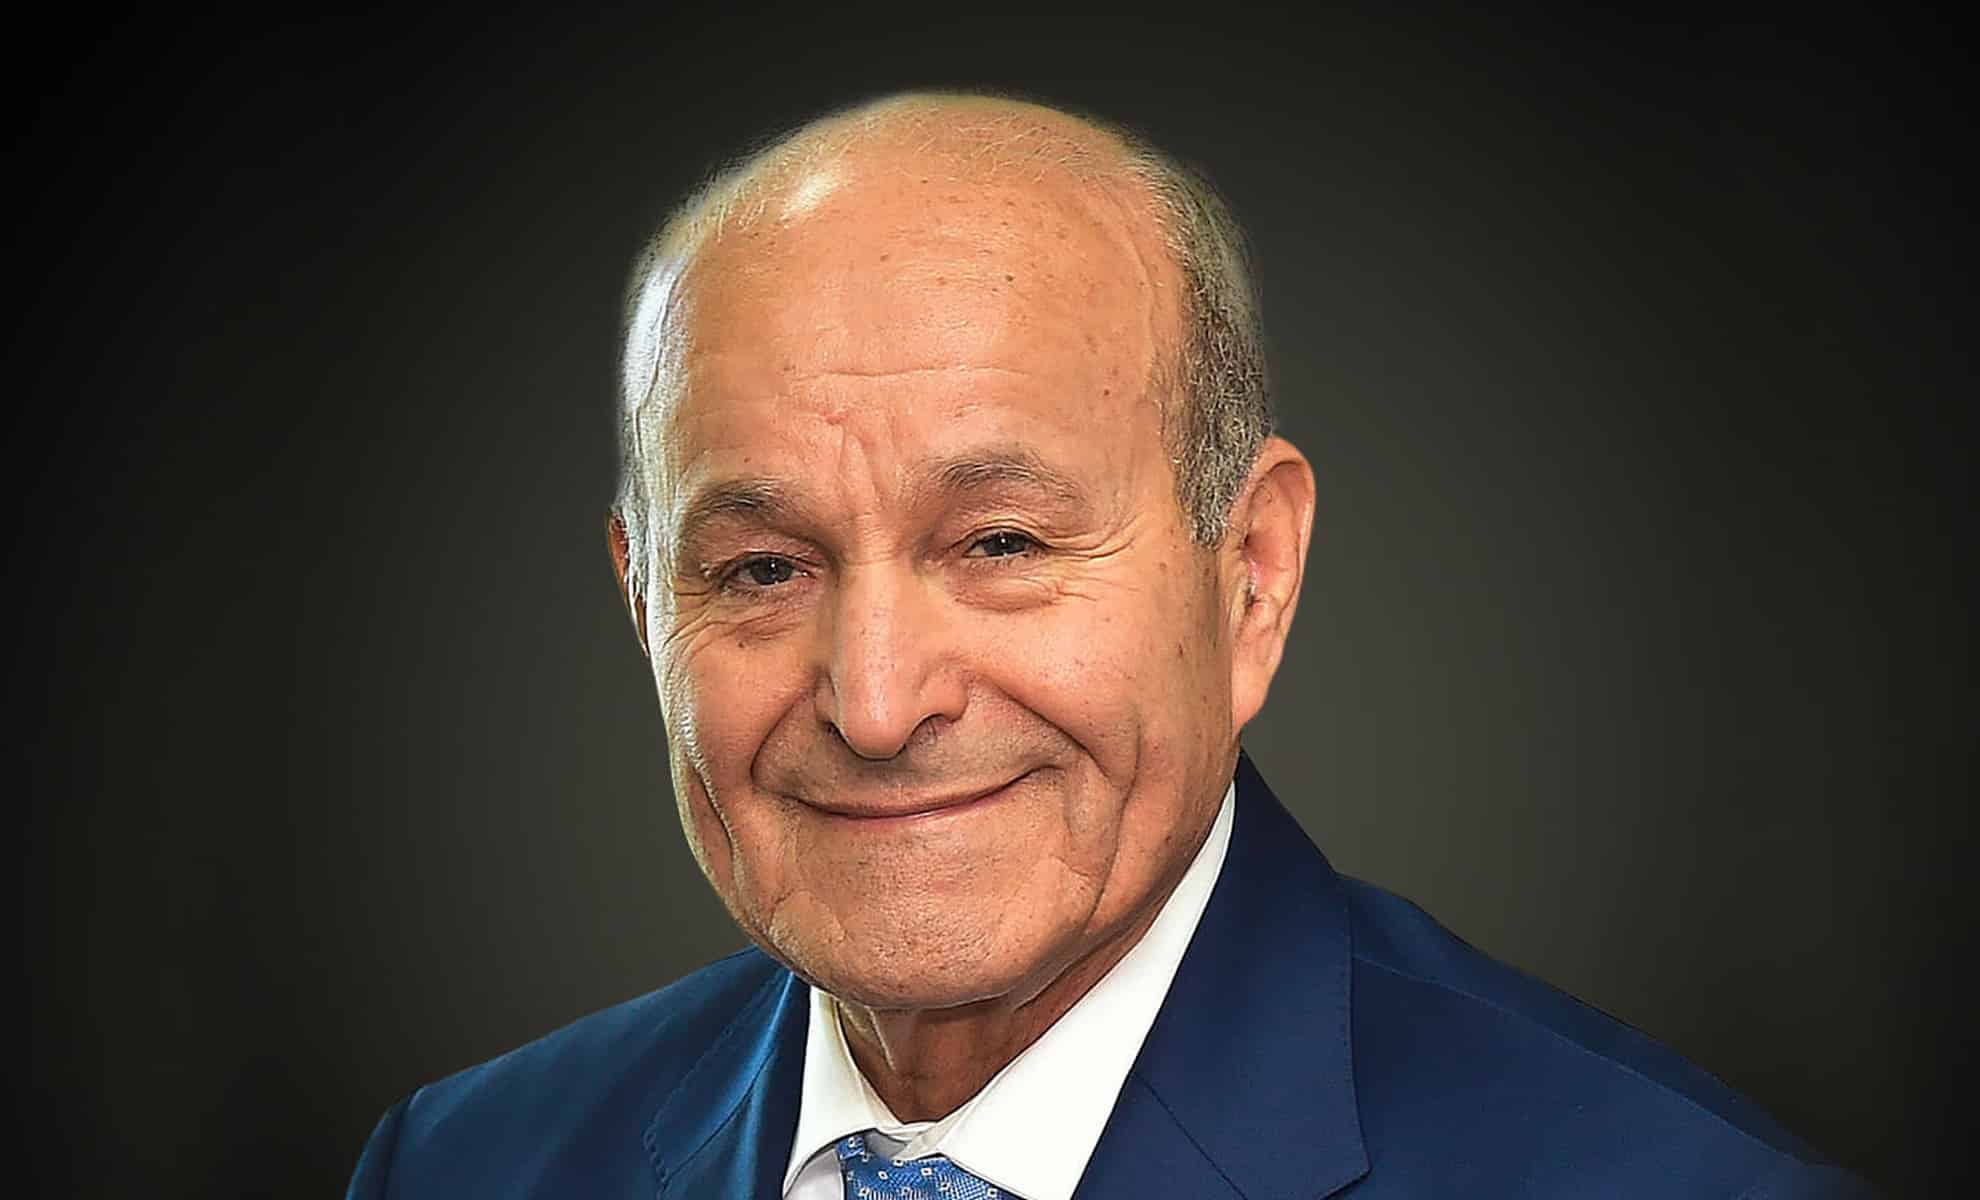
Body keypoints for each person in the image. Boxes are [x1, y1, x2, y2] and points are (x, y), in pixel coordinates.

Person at [347, 91, 1871, 1198]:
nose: (874, 701)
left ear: (1252, 577)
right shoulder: (463, 1163)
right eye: (761, 567)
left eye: (1001, 544)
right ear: (644, 609)